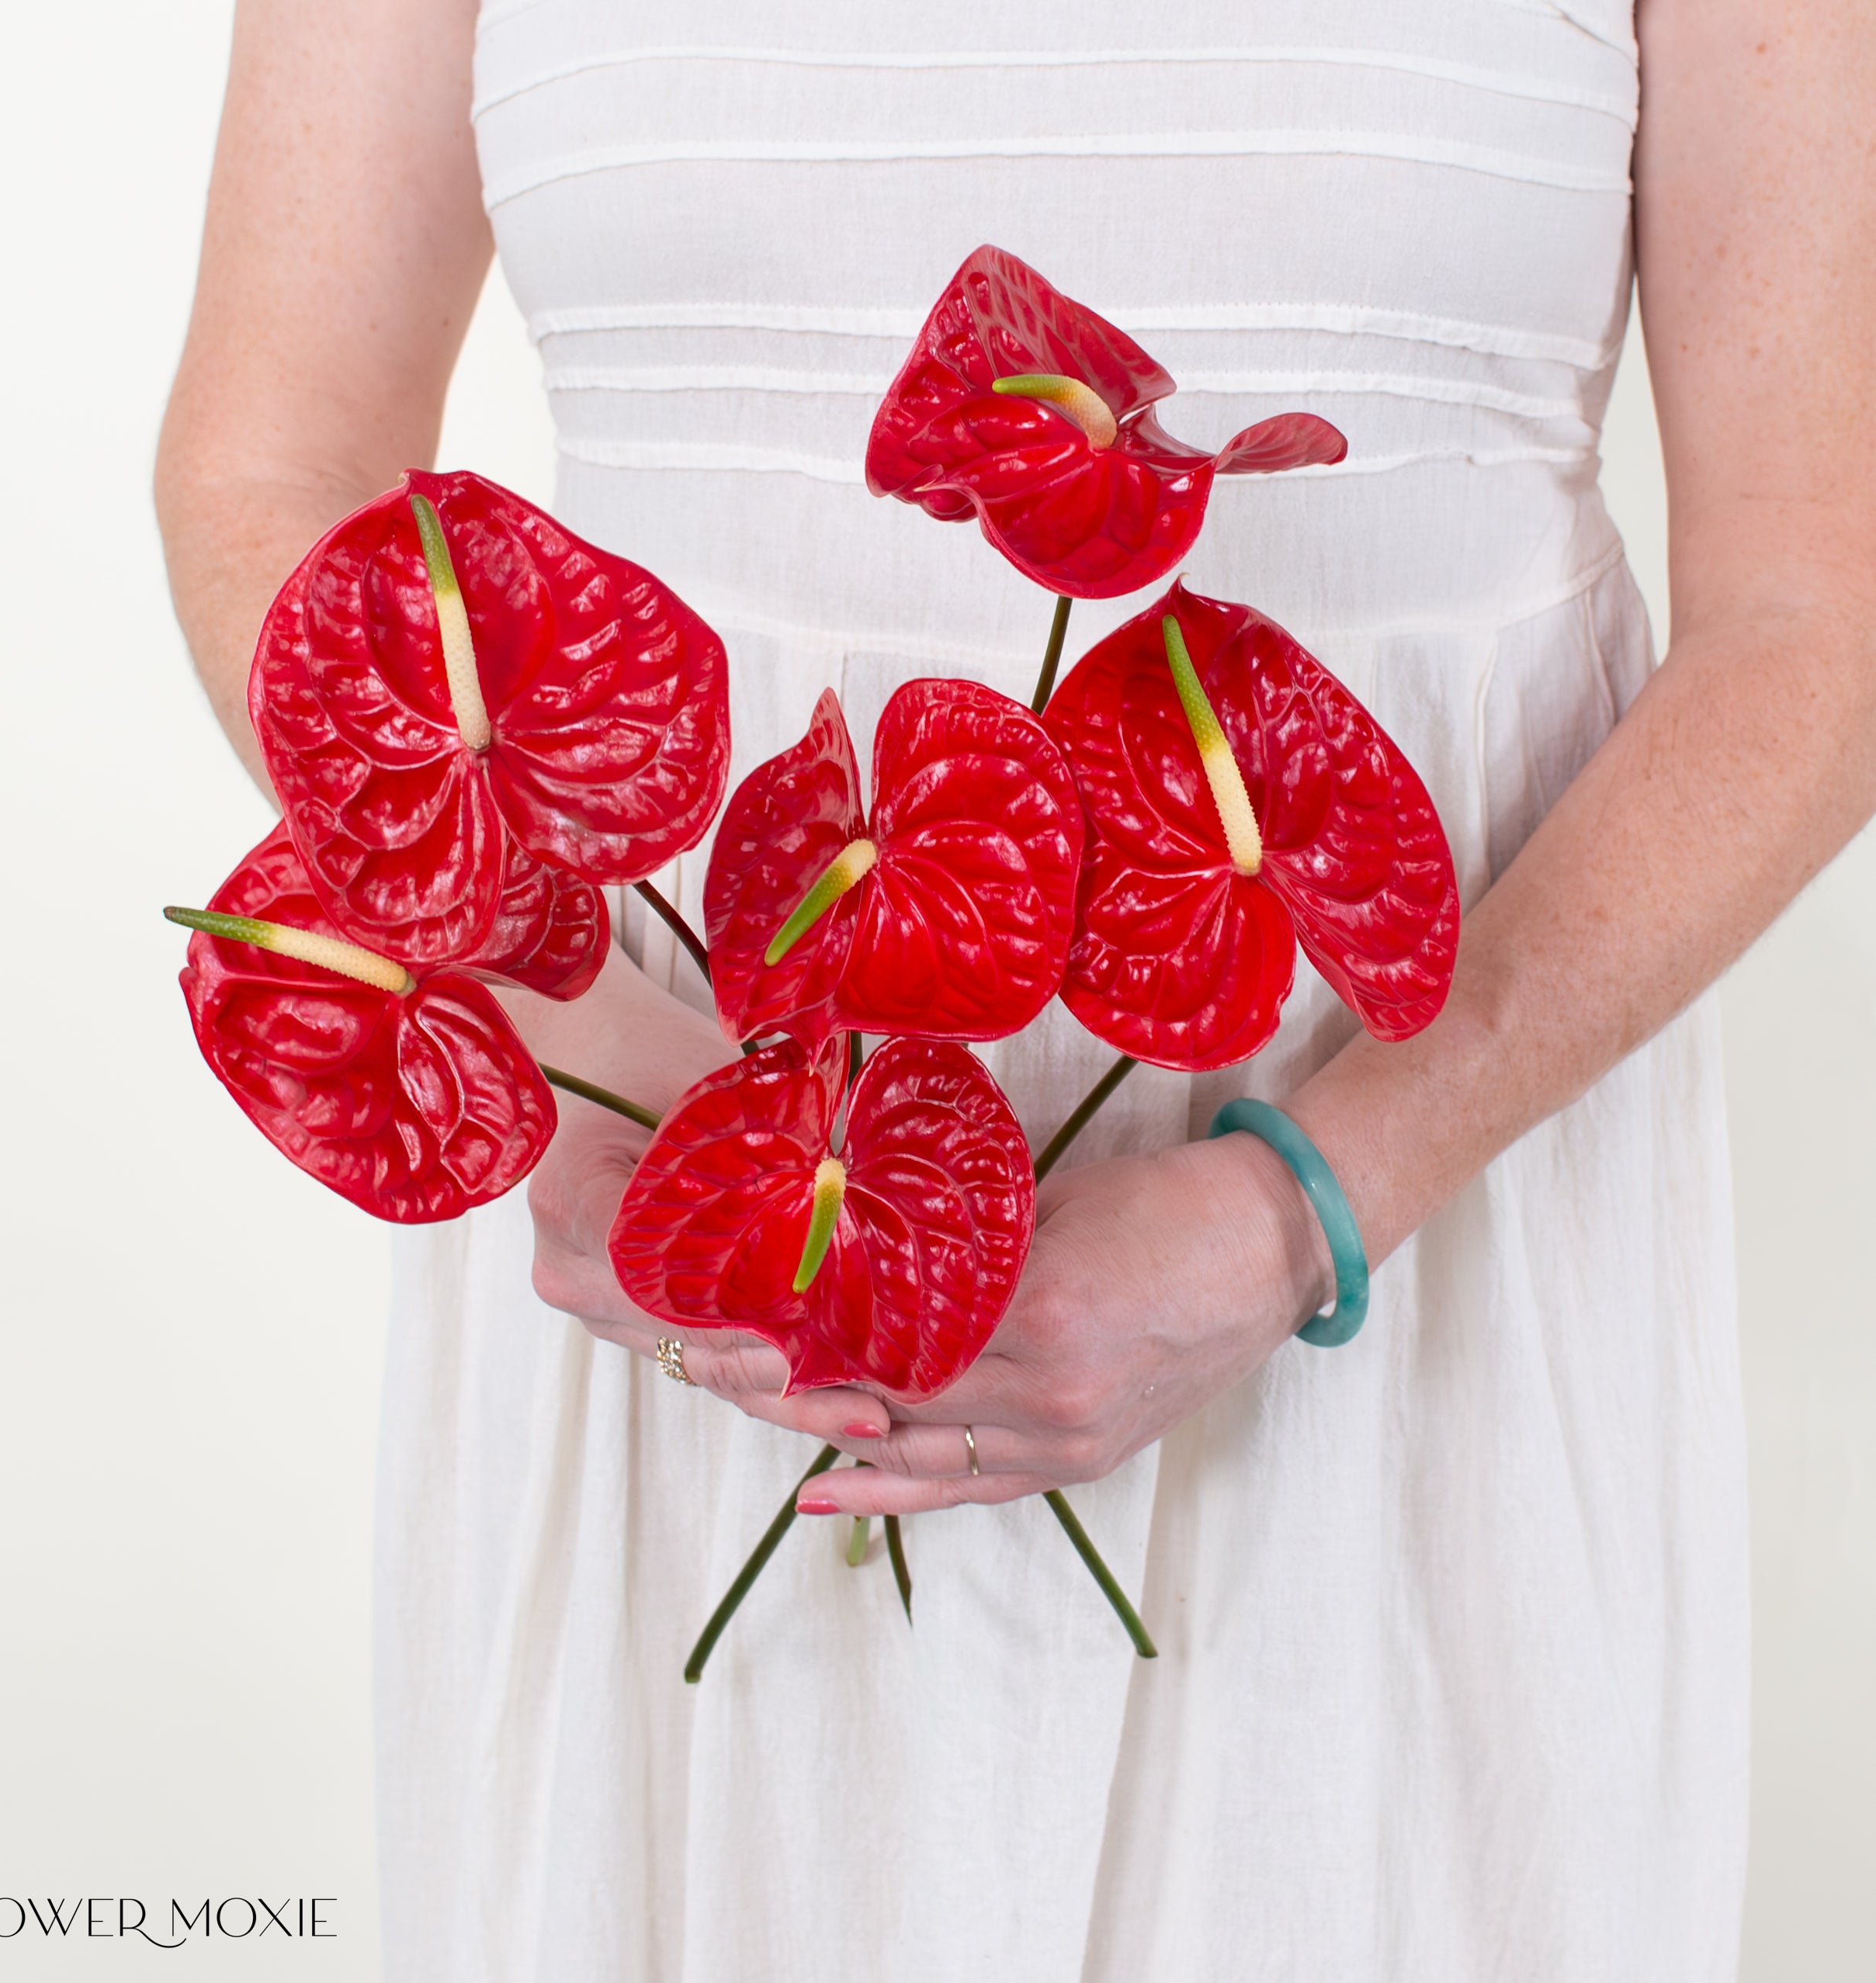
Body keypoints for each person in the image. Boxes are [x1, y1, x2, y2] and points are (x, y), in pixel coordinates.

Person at [157, 2, 1875, 1976]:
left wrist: (1307, 1196)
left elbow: (1818, 608)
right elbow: (266, 464)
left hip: (1406, 1267)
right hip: (672, 1248)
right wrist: (589, 1049)